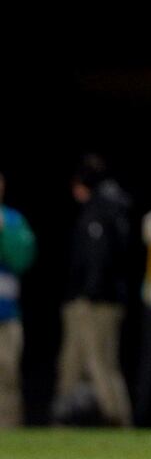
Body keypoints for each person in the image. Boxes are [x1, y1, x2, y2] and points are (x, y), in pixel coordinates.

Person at [55, 155, 133, 427]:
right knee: (73, 363)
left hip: (96, 301)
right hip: (95, 299)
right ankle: (64, 418)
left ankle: (116, 419)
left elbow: (99, 257)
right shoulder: (109, 207)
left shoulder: (101, 210)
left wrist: (89, 292)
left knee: (100, 362)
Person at [0, 172, 36, 428]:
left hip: (6, 314)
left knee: (7, 376)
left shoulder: (12, 221)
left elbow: (22, 259)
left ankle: (8, 429)